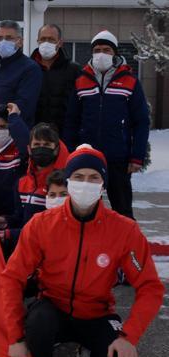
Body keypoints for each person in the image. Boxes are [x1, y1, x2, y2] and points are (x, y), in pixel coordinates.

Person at [1, 144, 164, 357]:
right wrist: (15, 336)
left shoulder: (124, 230)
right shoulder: (42, 225)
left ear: (103, 184)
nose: (85, 184)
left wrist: (128, 337)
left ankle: (87, 353)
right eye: (78, 177)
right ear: (68, 180)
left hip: (96, 314)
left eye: (93, 178)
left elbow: (151, 287)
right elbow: (12, 277)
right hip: (52, 308)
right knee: (38, 322)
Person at [63, 30, 150, 220]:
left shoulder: (130, 82)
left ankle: (128, 247)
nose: (101, 53)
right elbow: (71, 120)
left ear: (115, 53)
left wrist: (137, 156)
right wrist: (71, 152)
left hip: (118, 158)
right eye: (97, 49)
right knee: (88, 208)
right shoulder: (81, 82)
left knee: (123, 210)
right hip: (87, 157)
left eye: (107, 49)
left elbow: (141, 121)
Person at [0, 123, 69, 252]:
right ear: (29, 149)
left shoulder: (65, 184)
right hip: (25, 249)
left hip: (51, 249)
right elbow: (20, 218)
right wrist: (6, 221)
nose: (41, 149)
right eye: (37, 145)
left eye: (46, 145)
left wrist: (12, 234)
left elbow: (53, 227)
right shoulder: (22, 182)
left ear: (56, 149)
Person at [31, 24, 80, 132]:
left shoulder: (73, 70)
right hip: (34, 137)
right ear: (37, 41)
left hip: (64, 135)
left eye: (51, 39)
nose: (46, 43)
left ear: (60, 43)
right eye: (43, 39)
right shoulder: (28, 69)